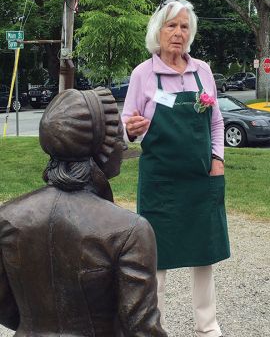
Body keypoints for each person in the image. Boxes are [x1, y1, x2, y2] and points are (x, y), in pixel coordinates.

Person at [0, 87, 167, 337]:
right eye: (116, 136)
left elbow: (5, 307)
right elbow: (142, 329)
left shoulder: (7, 217)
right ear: (102, 147)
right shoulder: (129, 230)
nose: (122, 145)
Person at [122, 0, 230, 337]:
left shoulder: (202, 71)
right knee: (156, 259)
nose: (178, 33)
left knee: (205, 254)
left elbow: (216, 122)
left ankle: (208, 327)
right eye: (172, 25)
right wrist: (131, 130)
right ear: (159, 30)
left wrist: (218, 160)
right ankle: (155, 327)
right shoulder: (144, 73)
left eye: (184, 27)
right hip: (161, 181)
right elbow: (127, 123)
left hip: (201, 178)